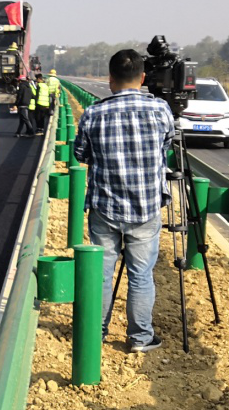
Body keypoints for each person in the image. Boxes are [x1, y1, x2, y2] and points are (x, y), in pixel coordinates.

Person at [73, 48, 176, 352]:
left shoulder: (94, 113)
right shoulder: (160, 110)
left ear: (110, 79)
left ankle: (96, 332)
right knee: (141, 276)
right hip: (145, 210)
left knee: (101, 276)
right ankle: (141, 338)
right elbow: (167, 146)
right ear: (143, 78)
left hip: (105, 209)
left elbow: (80, 154)